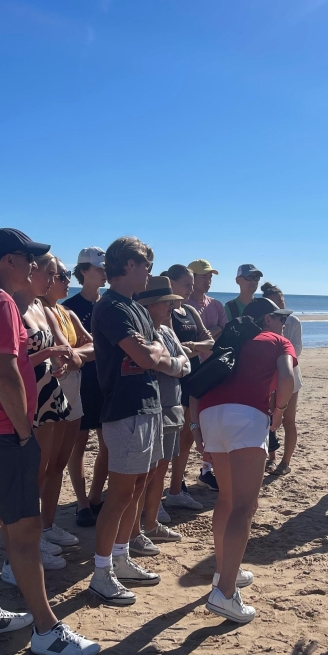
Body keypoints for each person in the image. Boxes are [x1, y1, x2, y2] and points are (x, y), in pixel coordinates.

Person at [0, 227, 99, 655]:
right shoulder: (0, 302)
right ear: (8, 261)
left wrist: (36, 358)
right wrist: (23, 432)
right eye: (29, 258)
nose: (36, 266)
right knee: (24, 531)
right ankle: (46, 629)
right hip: (2, 433)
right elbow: (3, 374)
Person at [190, 297, 296, 623]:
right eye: (279, 317)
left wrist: (196, 428)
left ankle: (225, 572)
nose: (283, 323)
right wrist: (278, 412)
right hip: (245, 416)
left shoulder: (230, 339)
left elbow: (200, 383)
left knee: (227, 498)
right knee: (245, 506)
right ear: (267, 320)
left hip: (210, 415)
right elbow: (288, 379)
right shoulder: (278, 340)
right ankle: (223, 593)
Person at [89, 237, 173, 605]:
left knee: (138, 485)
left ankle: (121, 558)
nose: (149, 271)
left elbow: (160, 352)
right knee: (120, 492)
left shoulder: (135, 307)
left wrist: (154, 355)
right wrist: (153, 355)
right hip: (125, 409)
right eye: (144, 264)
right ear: (125, 265)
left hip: (148, 405)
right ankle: (101, 572)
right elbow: (145, 353)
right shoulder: (111, 307)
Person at [12, 251, 73, 574]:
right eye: (48, 273)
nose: (52, 280)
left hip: (50, 395)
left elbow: (58, 348)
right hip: (30, 400)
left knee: (48, 468)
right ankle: (23, 547)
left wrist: (57, 361)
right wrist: (50, 353)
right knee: (32, 474)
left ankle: (40, 533)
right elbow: (11, 364)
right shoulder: (13, 306)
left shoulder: (39, 305)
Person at [131, 275, 191, 544]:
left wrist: (170, 364)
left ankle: (152, 522)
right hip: (152, 409)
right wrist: (170, 364)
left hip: (172, 409)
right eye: (166, 302)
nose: (170, 308)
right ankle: (137, 528)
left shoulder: (166, 331)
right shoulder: (141, 333)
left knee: (162, 468)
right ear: (152, 304)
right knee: (146, 473)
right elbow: (151, 362)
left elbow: (185, 363)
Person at [40, 257, 95, 547]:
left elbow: (91, 344)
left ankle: (47, 526)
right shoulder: (40, 309)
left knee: (59, 463)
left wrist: (77, 355)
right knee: (43, 465)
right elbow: (64, 349)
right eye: (61, 275)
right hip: (50, 391)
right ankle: (35, 532)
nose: (65, 280)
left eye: (64, 275)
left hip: (72, 389)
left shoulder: (66, 311)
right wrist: (76, 354)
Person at [161, 265, 214, 511]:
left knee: (186, 438)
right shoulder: (166, 310)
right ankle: (157, 494)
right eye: (186, 284)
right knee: (167, 438)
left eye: (192, 284)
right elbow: (170, 346)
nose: (191, 289)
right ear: (170, 283)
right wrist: (194, 348)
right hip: (172, 378)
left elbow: (210, 341)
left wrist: (191, 345)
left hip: (191, 377)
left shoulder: (190, 309)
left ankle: (175, 489)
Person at [63, 247, 108, 527]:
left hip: (106, 384)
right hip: (80, 383)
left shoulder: (112, 304)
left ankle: (94, 497)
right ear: (84, 271)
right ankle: (81, 503)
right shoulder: (69, 308)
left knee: (108, 445)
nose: (105, 272)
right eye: (99, 267)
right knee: (77, 445)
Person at [187, 258, 228, 491]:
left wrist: (206, 338)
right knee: (188, 424)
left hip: (212, 369)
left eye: (210, 276)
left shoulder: (215, 305)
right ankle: (180, 478)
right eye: (204, 276)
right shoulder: (184, 305)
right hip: (191, 368)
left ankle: (206, 468)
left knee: (209, 419)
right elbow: (198, 339)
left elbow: (223, 333)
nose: (208, 280)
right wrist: (207, 338)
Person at [261, 283, 303, 475]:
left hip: (290, 374)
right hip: (269, 376)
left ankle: (285, 462)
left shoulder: (293, 322)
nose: (281, 307)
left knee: (289, 420)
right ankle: (271, 458)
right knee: (269, 418)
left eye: (282, 302)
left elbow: (297, 350)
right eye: (277, 304)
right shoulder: (266, 321)